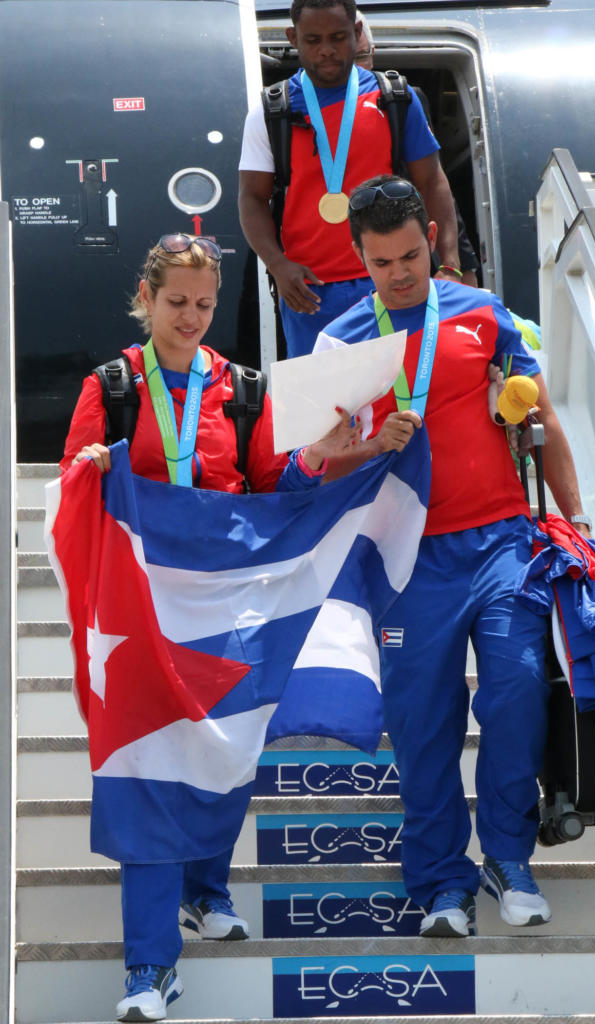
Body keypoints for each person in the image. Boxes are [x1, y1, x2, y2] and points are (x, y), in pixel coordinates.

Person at [61, 233, 367, 1022]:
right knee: (149, 775)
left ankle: (207, 886)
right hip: (139, 610)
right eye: (175, 303)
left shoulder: (242, 387)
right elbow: (72, 490)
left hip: (225, 606)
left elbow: (272, 485)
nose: (191, 318)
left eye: (203, 304)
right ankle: (147, 971)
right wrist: (90, 471)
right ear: (145, 296)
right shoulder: (113, 384)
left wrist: (325, 459)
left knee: (227, 747)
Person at [314, 176, 593, 938]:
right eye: (380, 263)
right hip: (406, 559)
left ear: (430, 240)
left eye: (409, 255)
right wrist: (371, 444)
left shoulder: (480, 311)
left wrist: (580, 520)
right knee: (420, 721)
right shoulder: (340, 340)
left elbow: (538, 414)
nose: (399, 274)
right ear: (358, 258)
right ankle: (441, 882)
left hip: (501, 538)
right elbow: (311, 463)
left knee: (514, 690)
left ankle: (509, 858)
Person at [238, 0, 461, 359]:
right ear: (293, 38)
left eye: (338, 37)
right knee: (327, 412)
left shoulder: (396, 99)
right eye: (313, 39)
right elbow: (251, 198)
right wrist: (278, 265)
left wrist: (449, 265)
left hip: (394, 283)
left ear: (357, 34)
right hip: (310, 293)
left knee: (408, 400)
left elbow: (433, 183)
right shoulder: (271, 111)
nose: (326, 49)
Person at [353, 10, 480, 288]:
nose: (354, 68)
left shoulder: (400, 99)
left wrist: (460, 264)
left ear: (373, 53)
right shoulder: (296, 107)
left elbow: (434, 185)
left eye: (360, 57)